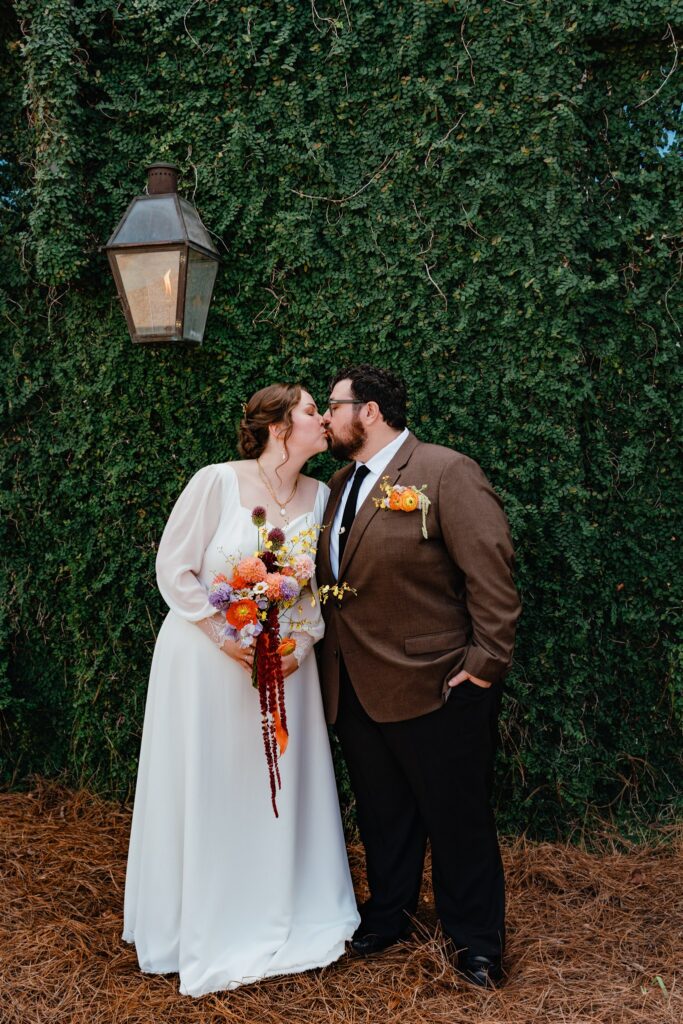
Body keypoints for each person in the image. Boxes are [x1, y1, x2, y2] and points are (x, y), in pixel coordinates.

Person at [123, 384, 359, 997]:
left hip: (285, 667)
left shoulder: (323, 494)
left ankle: (280, 902)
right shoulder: (217, 482)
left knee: (273, 782)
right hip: (206, 662)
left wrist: (299, 646)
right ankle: (204, 916)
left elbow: (319, 587)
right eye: (312, 411)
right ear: (280, 427)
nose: (323, 420)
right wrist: (221, 632)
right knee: (215, 780)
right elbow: (173, 566)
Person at [317, 365, 521, 989]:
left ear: (370, 411)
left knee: (457, 818)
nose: (326, 417)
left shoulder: (444, 471)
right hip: (352, 684)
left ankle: (477, 943)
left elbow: (492, 575)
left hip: (438, 683)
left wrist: (483, 667)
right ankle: (390, 914)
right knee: (383, 813)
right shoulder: (340, 480)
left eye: (333, 406)